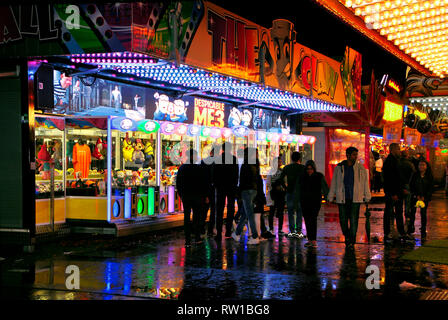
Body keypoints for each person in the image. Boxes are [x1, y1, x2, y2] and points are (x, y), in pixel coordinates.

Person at [328, 147, 371, 247]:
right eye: (353, 155)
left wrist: (367, 195)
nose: (355, 157)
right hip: (342, 197)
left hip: (355, 198)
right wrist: (330, 196)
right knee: (343, 220)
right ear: (347, 155)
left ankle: (352, 239)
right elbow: (334, 182)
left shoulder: (361, 168)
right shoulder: (339, 167)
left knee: (353, 219)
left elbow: (365, 183)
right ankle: (347, 235)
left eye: (356, 155)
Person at [176, 149, 210, 247]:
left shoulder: (182, 168)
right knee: (197, 217)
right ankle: (197, 237)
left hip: (186, 196)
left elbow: (178, 183)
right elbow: (204, 183)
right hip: (197, 196)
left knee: (186, 217)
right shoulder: (199, 168)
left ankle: (187, 241)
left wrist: (181, 195)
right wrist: (205, 195)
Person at [232, 147, 260, 245]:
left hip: (246, 191)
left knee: (249, 214)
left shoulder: (245, 164)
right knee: (245, 213)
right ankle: (237, 233)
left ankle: (255, 236)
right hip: (254, 190)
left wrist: (239, 192)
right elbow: (257, 178)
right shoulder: (256, 163)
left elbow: (242, 179)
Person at [213, 142, 239, 242]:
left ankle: (219, 232)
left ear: (222, 149)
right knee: (230, 208)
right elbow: (236, 174)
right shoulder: (234, 159)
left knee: (219, 210)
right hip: (231, 187)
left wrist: (216, 185)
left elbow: (214, 174)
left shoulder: (218, 159)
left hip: (220, 187)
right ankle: (228, 231)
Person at [383, 143, 408, 242]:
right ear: (393, 150)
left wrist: (401, 190)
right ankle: (388, 233)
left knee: (398, 212)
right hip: (392, 193)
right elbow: (389, 179)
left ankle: (400, 232)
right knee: (390, 212)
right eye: (398, 149)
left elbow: (397, 178)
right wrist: (393, 193)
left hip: (396, 192)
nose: (399, 151)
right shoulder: (390, 162)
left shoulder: (395, 161)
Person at [301, 160, 329, 247]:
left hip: (314, 202)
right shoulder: (305, 177)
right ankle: (311, 239)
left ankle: (312, 240)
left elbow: (325, 188)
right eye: (308, 169)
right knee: (308, 220)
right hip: (305, 201)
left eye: (311, 169)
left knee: (312, 220)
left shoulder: (318, 176)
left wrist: (327, 197)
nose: (309, 171)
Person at [278, 151, 305, 238]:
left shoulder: (287, 167)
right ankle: (299, 231)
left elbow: (280, 179)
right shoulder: (302, 168)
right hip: (300, 192)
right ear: (299, 158)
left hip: (289, 191)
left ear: (291, 158)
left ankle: (292, 231)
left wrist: (285, 188)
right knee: (299, 211)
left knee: (290, 212)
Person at [408, 159, 433, 239]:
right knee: (412, 213)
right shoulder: (415, 175)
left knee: (423, 213)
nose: (421, 166)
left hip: (424, 197)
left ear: (426, 166)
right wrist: (416, 195)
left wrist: (425, 196)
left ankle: (423, 228)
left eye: (423, 165)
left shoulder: (429, 176)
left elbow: (430, 188)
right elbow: (411, 185)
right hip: (415, 197)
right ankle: (411, 227)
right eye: (420, 165)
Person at [267, 156, 287, 237]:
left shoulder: (281, 172)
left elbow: (285, 182)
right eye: (278, 162)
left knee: (280, 212)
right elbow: (268, 183)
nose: (280, 163)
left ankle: (279, 229)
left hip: (280, 194)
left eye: (280, 161)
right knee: (272, 211)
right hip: (274, 194)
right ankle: (272, 228)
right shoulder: (271, 172)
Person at [400, 149, 416, 234]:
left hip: (400, 185)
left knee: (399, 202)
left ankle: (400, 215)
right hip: (407, 184)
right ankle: (407, 214)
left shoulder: (398, 163)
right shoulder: (410, 164)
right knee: (407, 201)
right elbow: (413, 174)